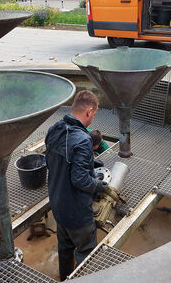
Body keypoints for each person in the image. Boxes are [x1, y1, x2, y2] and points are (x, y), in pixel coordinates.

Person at [45, 90, 112, 281]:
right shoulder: (83, 140)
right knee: (85, 253)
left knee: (65, 248)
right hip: (77, 213)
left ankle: (65, 277)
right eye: (95, 114)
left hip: (58, 205)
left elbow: (52, 163)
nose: (93, 118)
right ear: (89, 111)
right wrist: (100, 185)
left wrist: (90, 164)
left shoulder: (55, 129)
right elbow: (80, 180)